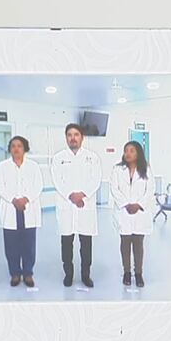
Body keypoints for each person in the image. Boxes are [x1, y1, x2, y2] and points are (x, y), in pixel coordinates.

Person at [51, 123, 102, 288]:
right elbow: (57, 180)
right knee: (66, 243)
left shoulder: (92, 157)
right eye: (69, 135)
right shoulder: (58, 158)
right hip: (67, 205)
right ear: (66, 137)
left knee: (86, 244)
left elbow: (96, 179)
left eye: (76, 135)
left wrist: (83, 195)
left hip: (85, 206)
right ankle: (68, 274)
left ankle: (86, 275)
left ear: (82, 137)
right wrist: (71, 196)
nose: (73, 138)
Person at [0, 136, 43, 287]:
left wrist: (26, 199)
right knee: (11, 245)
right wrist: (13, 200)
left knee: (28, 245)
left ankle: (28, 273)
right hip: (10, 209)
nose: (16, 149)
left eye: (19, 146)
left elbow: (38, 186)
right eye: (13, 146)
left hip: (28, 209)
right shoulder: (2, 166)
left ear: (25, 149)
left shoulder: (33, 166)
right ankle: (15, 273)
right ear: (10, 149)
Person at [110, 141, 154, 287]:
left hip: (139, 212)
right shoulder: (117, 169)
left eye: (132, 151)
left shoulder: (146, 169)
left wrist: (138, 204)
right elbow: (114, 189)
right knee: (125, 243)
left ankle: (139, 274)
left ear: (138, 153)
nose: (128, 153)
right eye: (126, 151)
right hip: (124, 211)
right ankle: (127, 273)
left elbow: (150, 190)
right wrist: (126, 204)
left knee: (138, 244)